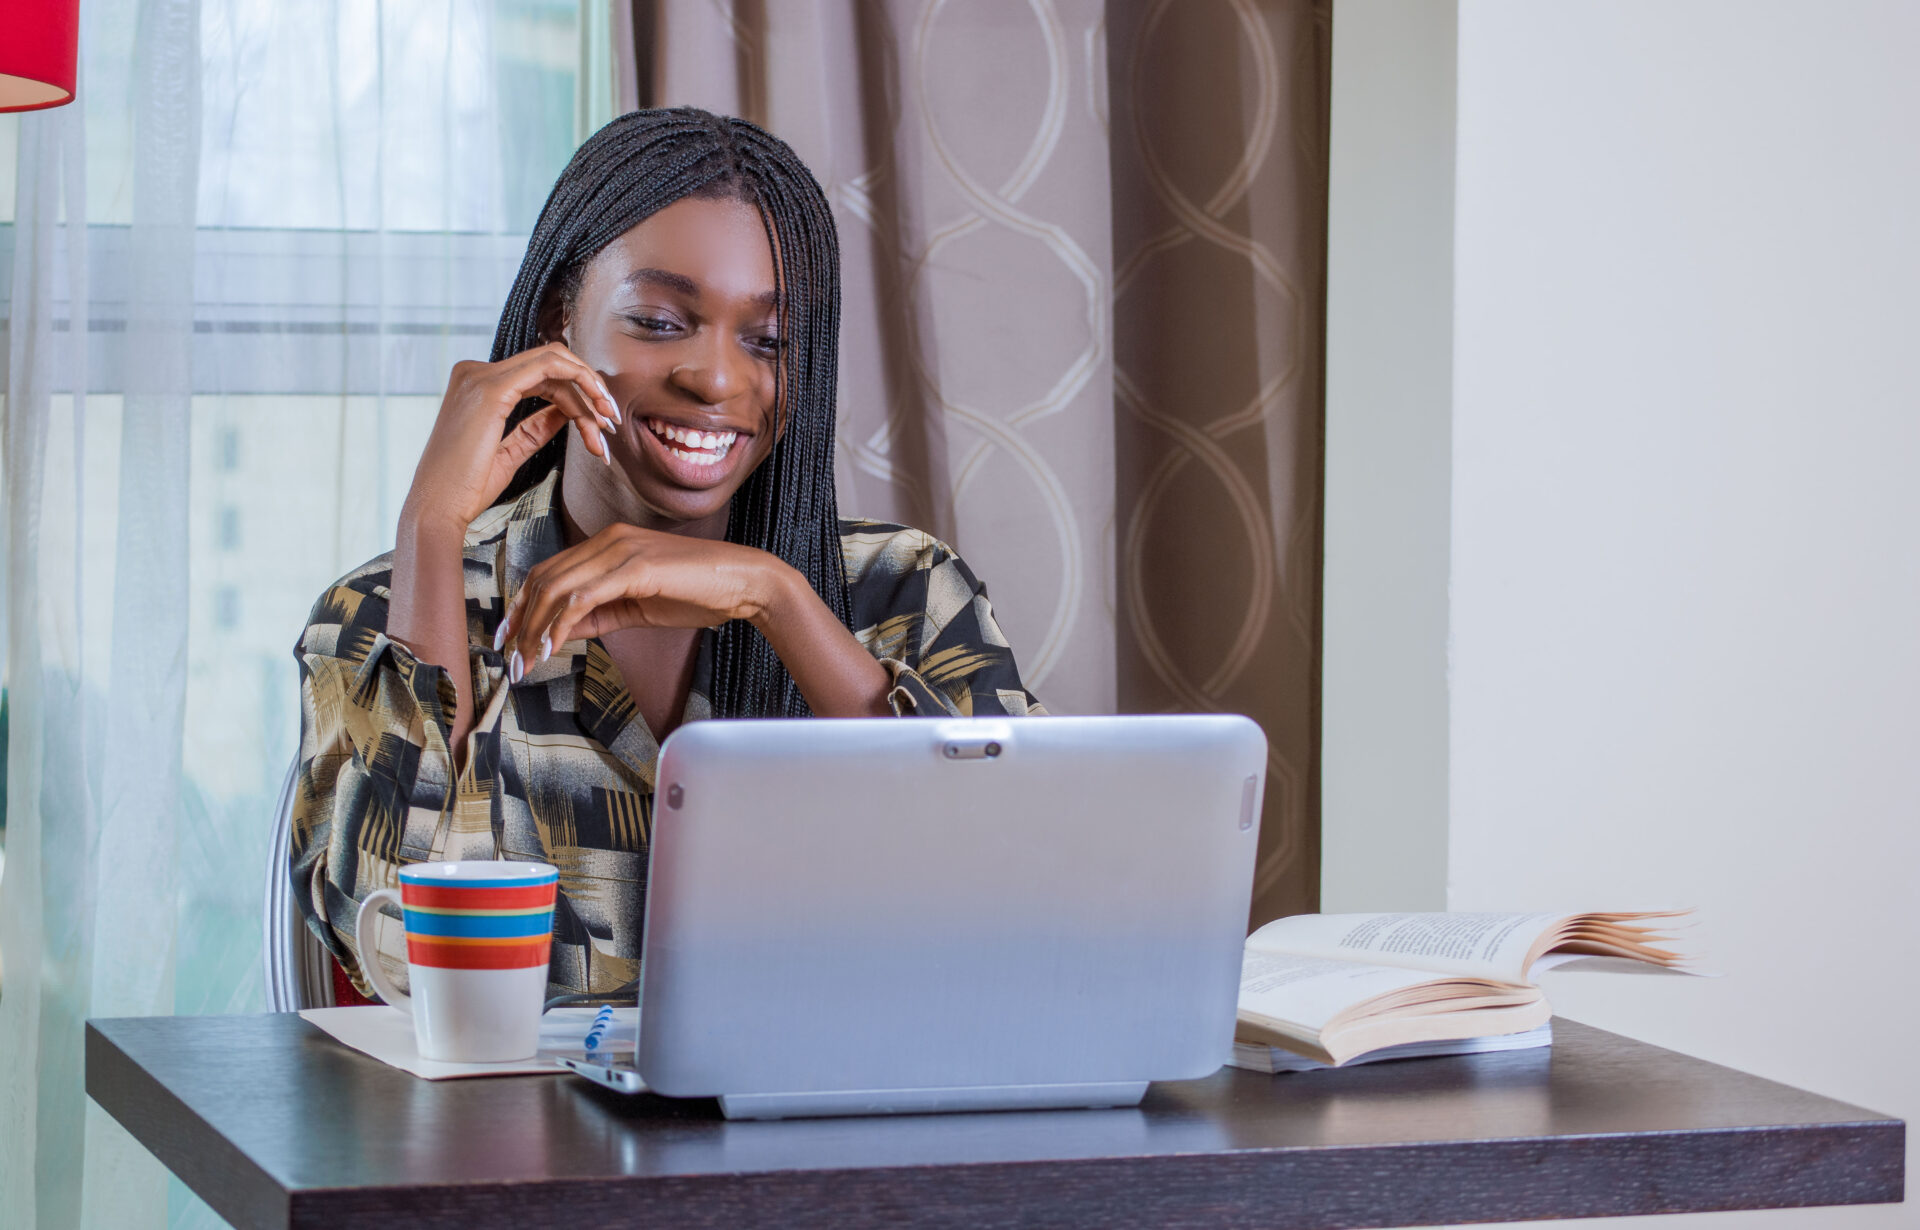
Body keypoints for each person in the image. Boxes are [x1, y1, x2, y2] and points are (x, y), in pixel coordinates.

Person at [292, 108, 1044, 1002]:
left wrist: (778, 600)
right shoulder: (384, 613)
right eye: (658, 321)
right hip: (514, 1141)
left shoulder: (905, 595)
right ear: (557, 320)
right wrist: (429, 529)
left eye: (766, 341)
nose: (717, 379)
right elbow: (399, 961)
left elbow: (1019, 915)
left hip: (839, 1139)